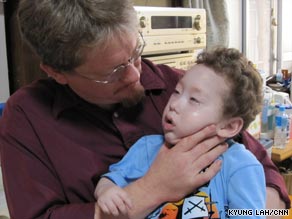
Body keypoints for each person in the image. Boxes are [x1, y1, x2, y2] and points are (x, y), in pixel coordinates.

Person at [0, 0, 289, 218]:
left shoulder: (180, 84)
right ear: (57, 72)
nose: (135, 76)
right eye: (111, 72)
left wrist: (253, 210)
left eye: (136, 53)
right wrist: (151, 191)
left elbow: (270, 182)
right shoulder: (26, 117)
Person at [94, 47, 266, 218]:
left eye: (194, 100)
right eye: (177, 92)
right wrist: (106, 191)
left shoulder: (241, 166)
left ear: (229, 127)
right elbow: (111, 179)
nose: (174, 104)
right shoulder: (146, 147)